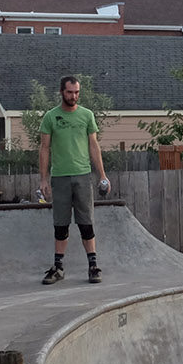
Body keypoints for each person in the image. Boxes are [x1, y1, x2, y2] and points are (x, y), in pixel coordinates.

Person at [38, 74, 110, 285]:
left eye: (76, 92)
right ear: (61, 92)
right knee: (61, 225)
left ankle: (93, 266)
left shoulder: (87, 115)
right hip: (60, 177)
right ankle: (58, 268)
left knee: (86, 222)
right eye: (69, 92)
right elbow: (44, 148)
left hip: (83, 175)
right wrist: (43, 179)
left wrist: (102, 175)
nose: (73, 96)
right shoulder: (51, 117)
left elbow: (94, 147)